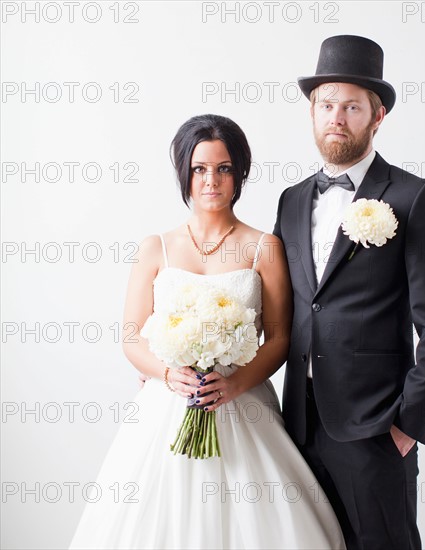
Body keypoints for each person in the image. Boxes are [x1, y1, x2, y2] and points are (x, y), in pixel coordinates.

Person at [69, 114, 346, 550]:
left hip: (243, 404)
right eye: (199, 169)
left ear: (239, 174)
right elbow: (131, 335)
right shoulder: (155, 248)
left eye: (223, 169)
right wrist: (165, 373)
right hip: (166, 408)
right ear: (184, 172)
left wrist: (235, 382)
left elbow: (277, 339)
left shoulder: (264, 247)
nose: (211, 181)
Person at [273, 35, 425, 550]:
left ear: (377, 117)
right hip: (297, 426)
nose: (337, 117)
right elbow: (286, 307)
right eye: (327, 104)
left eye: (352, 107)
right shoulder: (290, 202)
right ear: (312, 113)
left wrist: (408, 424)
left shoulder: (413, 196)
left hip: (377, 428)